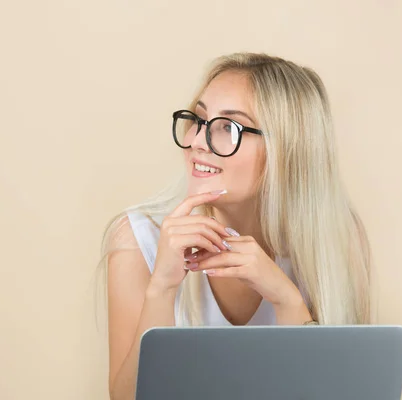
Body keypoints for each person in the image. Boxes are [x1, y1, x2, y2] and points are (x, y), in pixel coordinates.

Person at [100, 52, 372, 400]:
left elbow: (333, 394)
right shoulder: (137, 239)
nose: (198, 141)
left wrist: (285, 298)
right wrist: (162, 289)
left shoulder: (338, 240)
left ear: (287, 150)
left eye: (228, 128)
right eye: (198, 120)